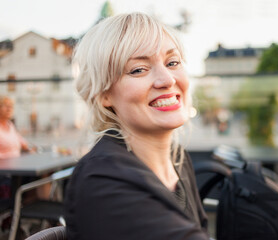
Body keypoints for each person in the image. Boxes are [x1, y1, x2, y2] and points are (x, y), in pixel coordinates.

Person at [64, 12, 209, 240]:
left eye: (173, 63)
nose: (167, 80)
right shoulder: (103, 181)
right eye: (138, 69)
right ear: (104, 94)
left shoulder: (178, 159)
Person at [0, 96, 30, 160]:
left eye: (11, 106)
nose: (9, 109)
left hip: (16, 165)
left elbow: (22, 142)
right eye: (6, 106)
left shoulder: (10, 125)